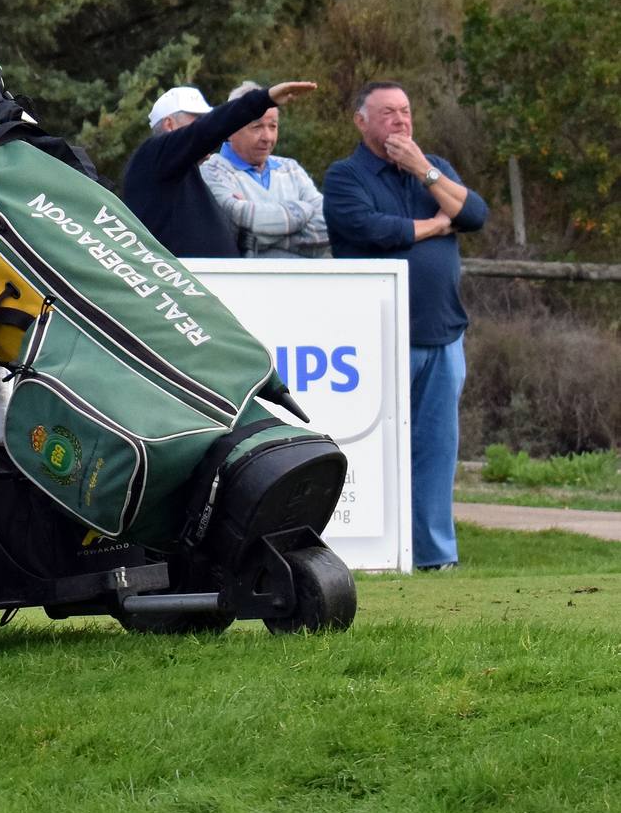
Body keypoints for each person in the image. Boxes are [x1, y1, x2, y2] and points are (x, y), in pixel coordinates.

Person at [324, 81, 488, 571]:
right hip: (378, 338)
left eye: (406, 111)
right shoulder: (345, 175)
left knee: (437, 450)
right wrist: (440, 223)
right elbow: (376, 231)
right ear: (362, 121)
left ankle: (437, 556)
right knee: (379, 450)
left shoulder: (431, 168)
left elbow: (475, 214)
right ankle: (374, 552)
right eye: (388, 113)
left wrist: (424, 169)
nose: (401, 120)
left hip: (443, 333)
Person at [121, 80, 317, 257]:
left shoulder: (186, 173)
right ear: (170, 125)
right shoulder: (153, 155)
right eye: (197, 119)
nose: (208, 127)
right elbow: (208, 130)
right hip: (182, 290)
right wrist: (264, 99)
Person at [198, 80, 330, 258]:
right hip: (245, 283)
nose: (267, 137)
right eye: (257, 126)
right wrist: (304, 210)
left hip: (303, 283)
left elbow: (327, 226)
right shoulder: (211, 172)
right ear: (230, 128)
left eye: (273, 126)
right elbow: (232, 228)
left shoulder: (291, 168)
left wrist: (256, 238)